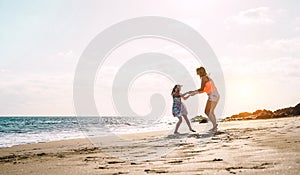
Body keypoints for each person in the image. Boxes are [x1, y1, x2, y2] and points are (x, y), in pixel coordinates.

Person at [189, 67, 220, 131]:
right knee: (211, 112)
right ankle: (215, 126)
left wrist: (194, 92)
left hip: (212, 95)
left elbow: (202, 89)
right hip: (216, 95)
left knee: (207, 111)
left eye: (197, 72)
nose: (197, 74)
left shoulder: (203, 78)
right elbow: (204, 90)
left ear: (200, 72)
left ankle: (214, 125)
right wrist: (195, 92)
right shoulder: (207, 77)